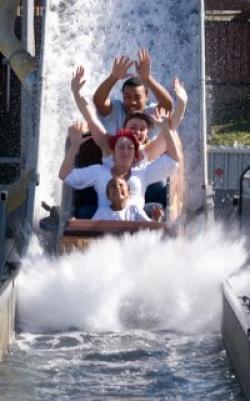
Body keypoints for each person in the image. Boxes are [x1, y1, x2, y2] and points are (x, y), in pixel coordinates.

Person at [59, 128, 180, 217]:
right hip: (106, 221)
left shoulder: (143, 172)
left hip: (135, 223)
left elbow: (174, 161)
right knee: (84, 212)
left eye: (130, 148)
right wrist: (74, 146)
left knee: (155, 209)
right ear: (113, 152)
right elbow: (65, 175)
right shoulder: (99, 172)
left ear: (135, 155)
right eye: (121, 147)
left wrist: (165, 125)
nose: (125, 151)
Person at [92, 48, 173, 139]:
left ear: (146, 97)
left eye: (137, 97)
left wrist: (148, 78)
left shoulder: (150, 113)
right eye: (127, 97)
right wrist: (113, 77)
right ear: (122, 96)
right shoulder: (117, 110)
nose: (133, 102)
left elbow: (167, 106)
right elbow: (99, 101)